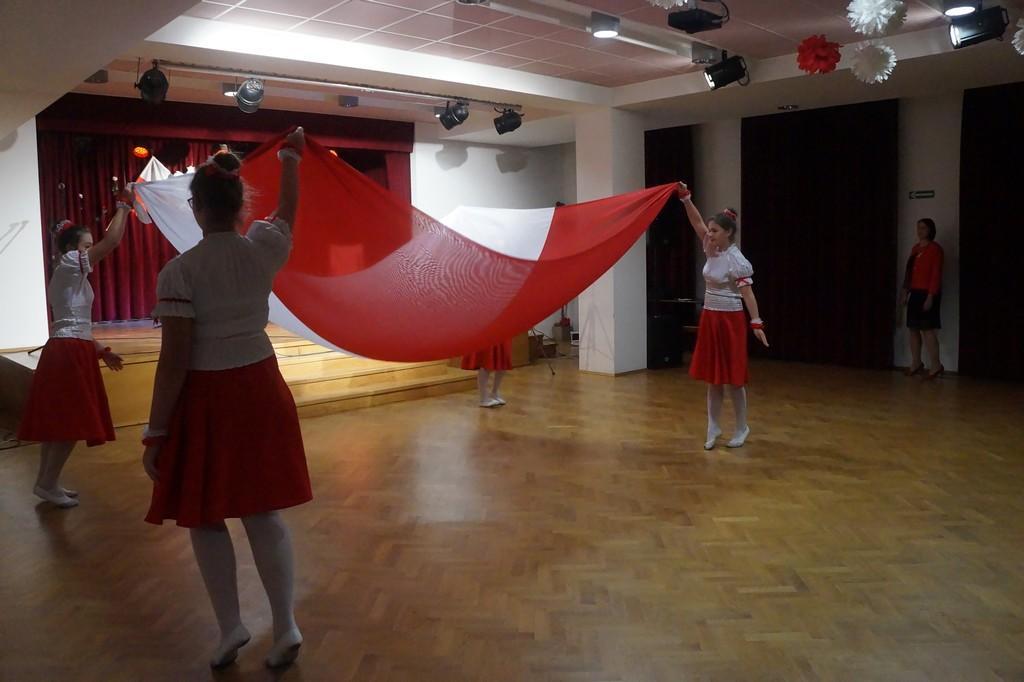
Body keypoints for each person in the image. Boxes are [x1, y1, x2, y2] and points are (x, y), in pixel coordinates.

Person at [142, 129, 311, 669]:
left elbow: (174, 361)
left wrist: (155, 431)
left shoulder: (180, 272)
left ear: (195, 209)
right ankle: (285, 626)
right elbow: (288, 210)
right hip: (260, 388)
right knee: (263, 512)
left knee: (205, 515)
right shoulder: (263, 249)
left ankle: (231, 626)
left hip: (209, 397)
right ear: (241, 207)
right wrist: (290, 158)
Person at [17, 192, 132, 507]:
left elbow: (76, 323)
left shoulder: (70, 272)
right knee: (70, 423)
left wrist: (101, 350)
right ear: (71, 249)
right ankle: (47, 482)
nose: (90, 251)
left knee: (61, 423)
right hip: (68, 351)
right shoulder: (70, 263)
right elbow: (112, 242)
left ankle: (46, 482)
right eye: (86, 246)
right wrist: (124, 206)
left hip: (70, 348)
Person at [678, 182, 768, 450]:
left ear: (728, 232)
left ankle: (741, 427)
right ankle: (713, 426)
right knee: (713, 378)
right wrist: (685, 198)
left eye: (715, 230)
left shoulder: (736, 260)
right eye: (710, 230)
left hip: (730, 321)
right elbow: (696, 222)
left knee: (734, 380)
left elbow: (748, 294)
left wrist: (756, 322)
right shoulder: (711, 247)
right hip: (710, 318)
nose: (710, 234)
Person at [900, 218, 944, 379]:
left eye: (923, 228)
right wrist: (905, 292)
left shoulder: (935, 249)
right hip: (915, 292)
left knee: (927, 329)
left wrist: (930, 296)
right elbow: (909, 272)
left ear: (930, 230)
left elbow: (936, 274)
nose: (920, 231)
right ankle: (916, 362)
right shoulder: (915, 249)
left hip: (928, 293)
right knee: (913, 328)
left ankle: (936, 365)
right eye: (918, 228)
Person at [462, 340, 512, 407]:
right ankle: (484, 398)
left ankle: (495, 393)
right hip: (487, 336)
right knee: (485, 361)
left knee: (503, 361)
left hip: (503, 335)